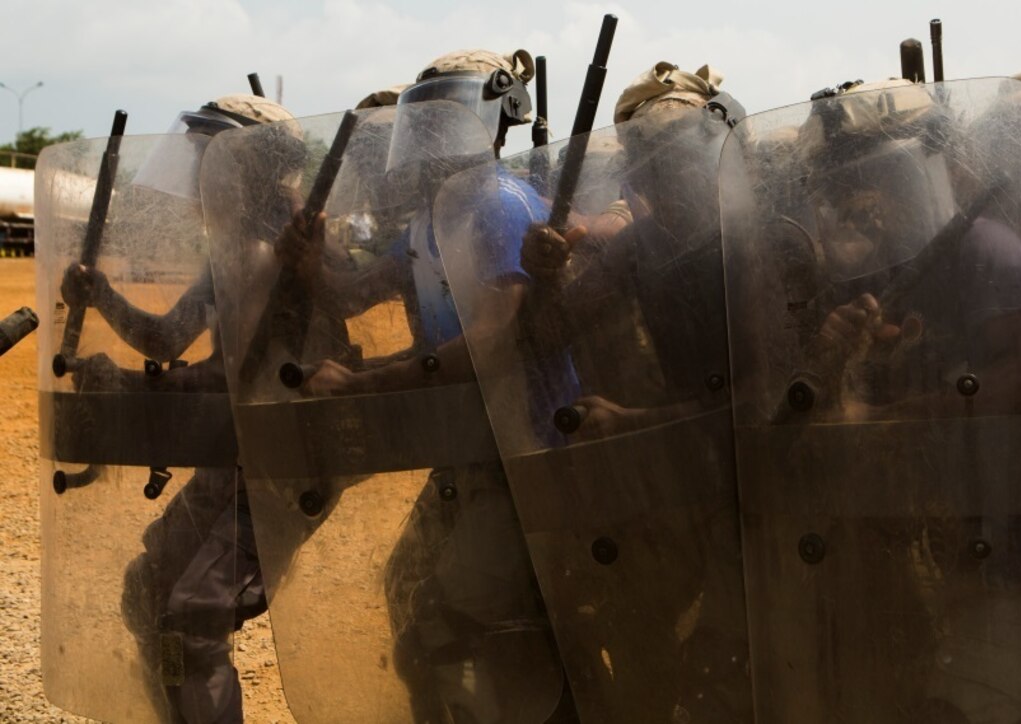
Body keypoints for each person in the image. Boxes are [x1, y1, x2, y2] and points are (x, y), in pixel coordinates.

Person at [720, 77, 1021, 723]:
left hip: (1006, 563)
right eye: (835, 181)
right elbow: (812, 431)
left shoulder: (982, 249)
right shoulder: (865, 275)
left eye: (875, 174)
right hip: (906, 574)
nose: (857, 197)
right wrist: (832, 368)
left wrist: (895, 419)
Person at [451, 62, 753, 722]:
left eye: (672, 161)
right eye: (646, 162)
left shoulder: (765, 243)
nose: (652, 178)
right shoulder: (641, 247)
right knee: (634, 630)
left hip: (763, 491)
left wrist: (636, 422)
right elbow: (548, 332)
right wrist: (547, 274)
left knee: (730, 667)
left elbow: (767, 400)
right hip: (683, 479)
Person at [285, 50, 576, 723]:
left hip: (525, 454)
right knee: (410, 592)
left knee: (457, 621)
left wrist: (365, 385)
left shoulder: (498, 205)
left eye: (449, 118)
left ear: (496, 118)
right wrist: (310, 265)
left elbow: (491, 340)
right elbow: (355, 294)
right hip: (470, 449)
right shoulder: (431, 218)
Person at [59, 93, 303, 723]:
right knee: (151, 592)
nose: (197, 176)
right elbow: (169, 342)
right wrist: (105, 295)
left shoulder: (261, 253)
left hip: (278, 468)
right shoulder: (233, 249)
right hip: (234, 455)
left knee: (194, 616)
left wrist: (134, 389)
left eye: (208, 161)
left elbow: (231, 378)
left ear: (250, 169)